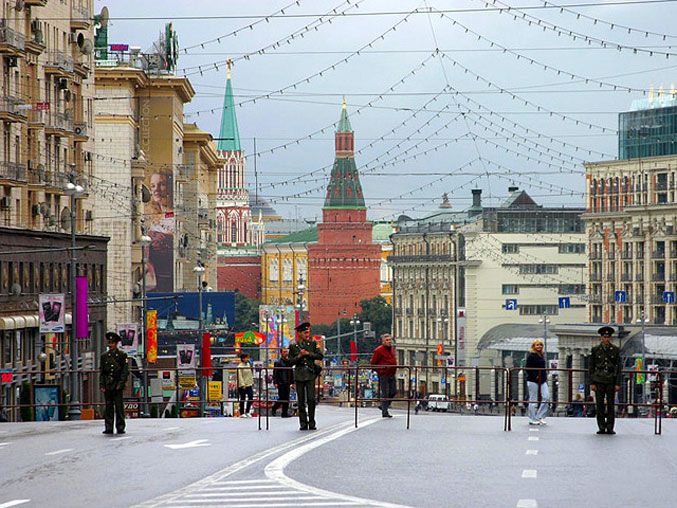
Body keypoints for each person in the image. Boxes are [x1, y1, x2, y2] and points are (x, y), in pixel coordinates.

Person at [289, 322, 323, 430]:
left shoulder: (312, 344)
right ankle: (303, 423)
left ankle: (312, 422)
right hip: (299, 375)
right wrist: (299, 356)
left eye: (307, 332)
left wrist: (308, 354)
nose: (307, 334)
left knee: (311, 399)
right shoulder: (293, 346)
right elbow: (290, 362)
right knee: (301, 401)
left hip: (310, 374)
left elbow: (320, 355)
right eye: (304, 332)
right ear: (299, 333)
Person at [589, 325, 622, 435]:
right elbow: (591, 367)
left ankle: (610, 427)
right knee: (600, 405)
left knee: (611, 404)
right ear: (601, 338)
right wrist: (592, 382)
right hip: (599, 379)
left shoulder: (615, 350)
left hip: (611, 379)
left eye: (608, 337)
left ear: (610, 338)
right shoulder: (595, 350)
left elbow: (618, 367)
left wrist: (617, 383)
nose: (606, 339)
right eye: (604, 337)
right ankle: (601, 426)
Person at [100, 332, 129, 435]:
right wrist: (102, 385)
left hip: (117, 385)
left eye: (112, 343)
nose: (110, 345)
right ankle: (108, 427)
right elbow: (102, 372)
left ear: (116, 344)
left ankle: (120, 427)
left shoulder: (122, 355)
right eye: (109, 342)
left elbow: (125, 371)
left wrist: (120, 384)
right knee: (108, 407)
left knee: (119, 407)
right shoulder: (104, 356)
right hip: (108, 384)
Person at [370, 333, 397, 418]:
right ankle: (385, 412)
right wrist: (380, 370)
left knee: (393, 392)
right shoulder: (378, 350)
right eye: (387, 340)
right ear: (383, 342)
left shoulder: (392, 349)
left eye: (390, 340)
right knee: (385, 393)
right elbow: (373, 363)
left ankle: (383, 406)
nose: (389, 342)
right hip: (384, 374)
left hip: (392, 373)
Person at [525, 339, 549, 425]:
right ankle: (532, 418)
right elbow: (527, 368)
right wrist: (535, 376)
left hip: (542, 379)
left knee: (546, 397)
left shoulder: (542, 355)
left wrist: (544, 377)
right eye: (537, 345)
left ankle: (540, 416)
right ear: (534, 346)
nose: (539, 346)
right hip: (532, 380)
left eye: (540, 345)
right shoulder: (531, 355)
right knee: (533, 399)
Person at [272, 348, 294, 418]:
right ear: (281, 353)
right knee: (282, 397)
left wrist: (292, 382)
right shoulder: (278, 362)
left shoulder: (289, 361)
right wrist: (275, 382)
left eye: (286, 352)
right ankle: (274, 407)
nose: (286, 353)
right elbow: (275, 373)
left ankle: (284, 413)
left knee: (287, 398)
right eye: (284, 352)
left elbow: (291, 372)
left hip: (287, 382)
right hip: (280, 382)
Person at [236, 353, 254, 418]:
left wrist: (252, 382)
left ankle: (247, 411)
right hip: (242, 385)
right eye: (246, 358)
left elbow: (250, 374)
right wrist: (242, 384)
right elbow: (239, 376)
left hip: (249, 384)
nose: (247, 359)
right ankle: (242, 412)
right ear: (243, 358)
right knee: (242, 398)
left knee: (251, 397)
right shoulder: (239, 366)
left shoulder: (248, 364)